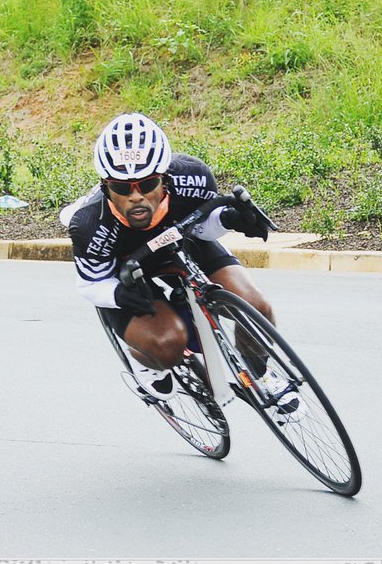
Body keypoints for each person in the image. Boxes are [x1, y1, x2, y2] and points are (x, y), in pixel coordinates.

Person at [60, 113, 296, 410]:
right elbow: (91, 283)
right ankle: (147, 362)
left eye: (147, 184)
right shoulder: (90, 224)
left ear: (165, 179)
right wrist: (119, 294)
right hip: (128, 268)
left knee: (255, 306)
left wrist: (232, 219)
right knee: (168, 343)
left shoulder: (192, 176)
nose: (135, 196)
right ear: (106, 185)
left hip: (177, 239)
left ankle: (260, 374)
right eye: (121, 187)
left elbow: (202, 226)